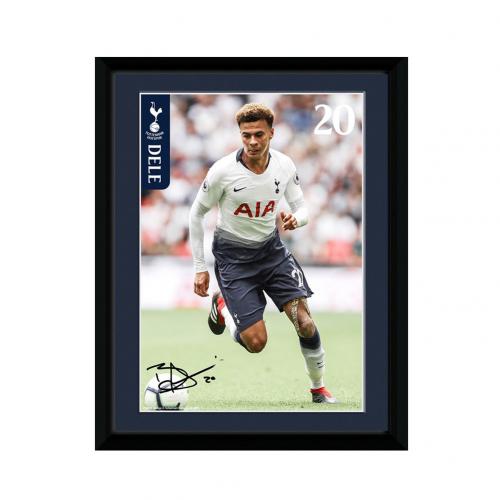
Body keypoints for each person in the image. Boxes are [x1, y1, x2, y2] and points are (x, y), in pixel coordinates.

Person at [189, 103, 336, 404]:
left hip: (272, 254)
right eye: (246, 135)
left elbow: (302, 208)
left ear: (272, 133)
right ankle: (222, 305)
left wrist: (298, 220)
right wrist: (199, 267)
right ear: (240, 135)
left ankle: (318, 388)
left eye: (259, 134)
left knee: (305, 322)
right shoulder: (222, 172)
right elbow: (196, 214)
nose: (252, 141)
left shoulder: (284, 166)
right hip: (234, 260)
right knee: (256, 343)